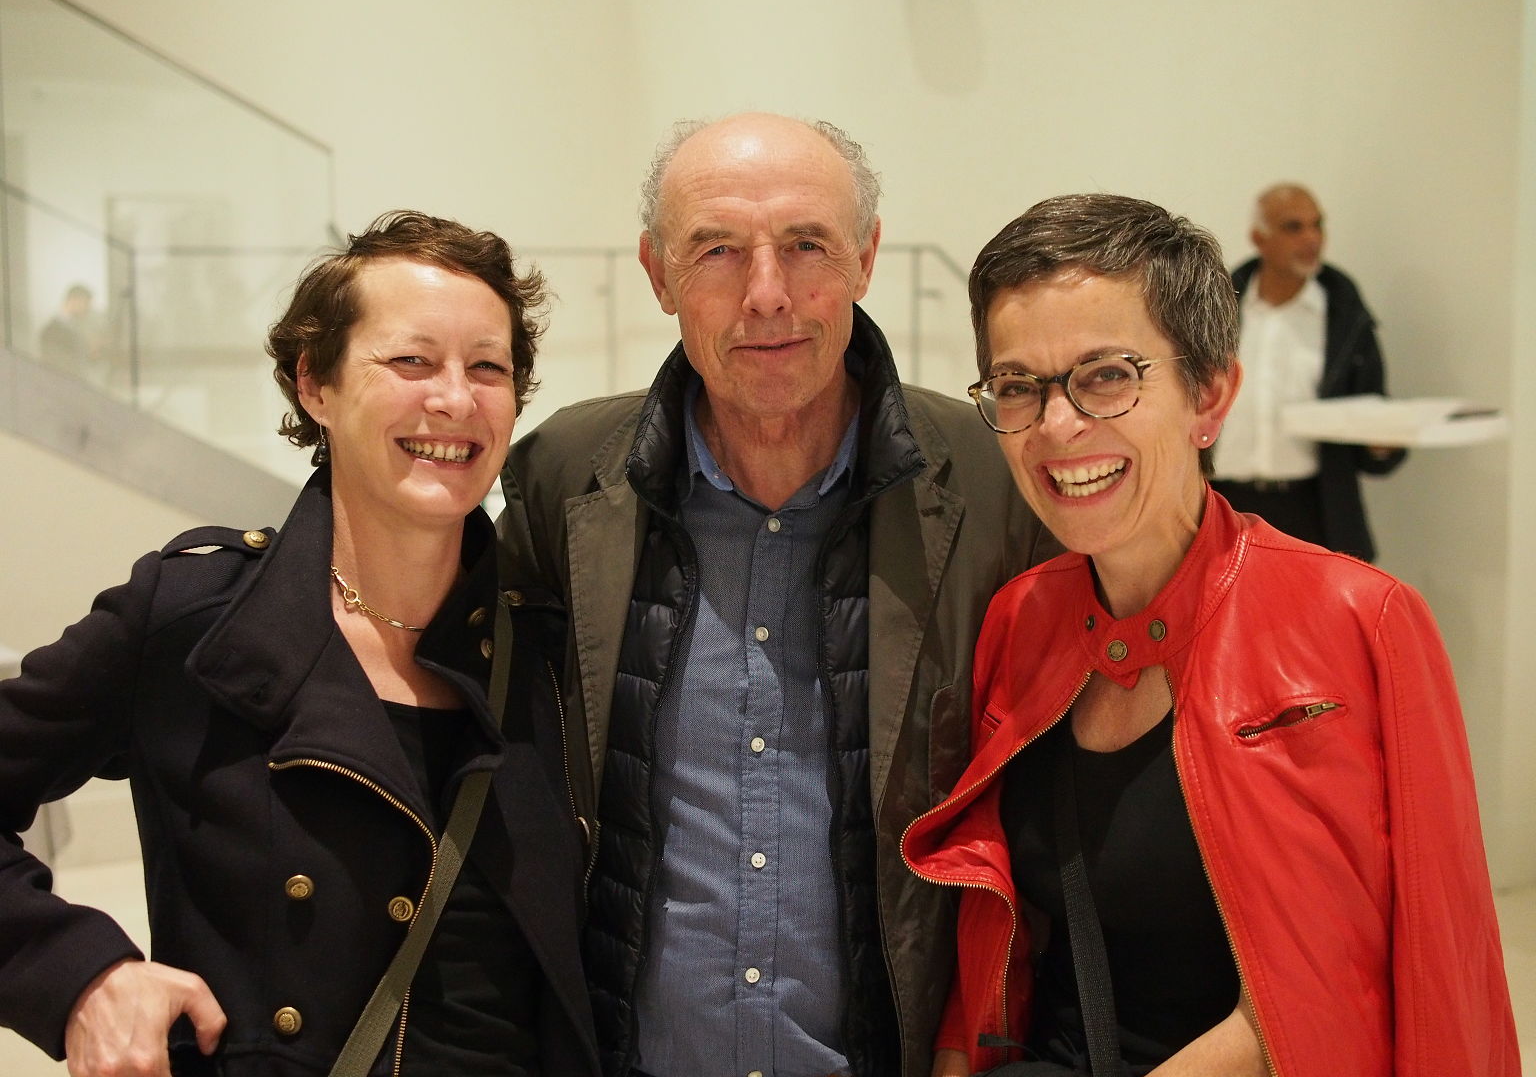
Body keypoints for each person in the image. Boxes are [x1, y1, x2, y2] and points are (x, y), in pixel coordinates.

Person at [903, 194, 1518, 1076]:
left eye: (1106, 375)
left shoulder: (1359, 621)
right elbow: (994, 933)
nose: (1057, 425)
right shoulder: (1020, 616)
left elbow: (1418, 965)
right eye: (1017, 386)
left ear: (1210, 395)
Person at [497, 113, 1056, 1077]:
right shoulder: (566, 478)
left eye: (807, 246)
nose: (767, 295)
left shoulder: (994, 483)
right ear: (658, 273)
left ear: (867, 257)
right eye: (717, 250)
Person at [0, 212, 599, 1077]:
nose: (456, 400)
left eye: (488, 368)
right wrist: (80, 977)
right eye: (412, 361)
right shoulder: (194, 621)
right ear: (314, 383)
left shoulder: (554, 650)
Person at [1211, 184, 1405, 561]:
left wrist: (1383, 442)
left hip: (1313, 508)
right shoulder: (1217, 307)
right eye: (1293, 227)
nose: (1311, 238)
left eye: (1318, 225)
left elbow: (1372, 413)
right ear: (1259, 239)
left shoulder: (1345, 317)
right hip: (1222, 504)